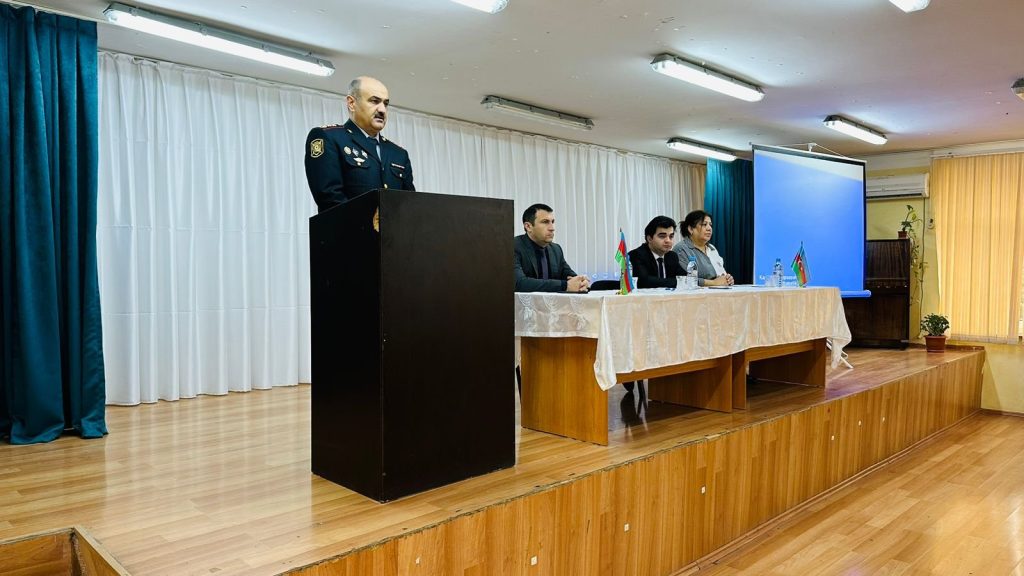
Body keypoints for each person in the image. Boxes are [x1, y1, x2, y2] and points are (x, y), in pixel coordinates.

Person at [304, 76, 415, 212]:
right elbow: (329, 198)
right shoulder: (329, 137)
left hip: (394, 226)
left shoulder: (398, 154)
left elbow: (410, 203)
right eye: (374, 101)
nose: (382, 110)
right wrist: (371, 223)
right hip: (347, 225)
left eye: (385, 104)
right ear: (351, 103)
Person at [514, 204, 590, 293]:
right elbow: (519, 283)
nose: (552, 228)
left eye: (552, 222)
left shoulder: (556, 249)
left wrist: (581, 282)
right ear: (528, 226)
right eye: (545, 222)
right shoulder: (513, 246)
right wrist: (564, 286)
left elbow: (569, 276)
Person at [673, 210, 735, 287]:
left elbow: (721, 274)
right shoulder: (681, 249)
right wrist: (713, 283)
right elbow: (684, 280)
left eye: (710, 225)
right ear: (691, 229)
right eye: (704, 224)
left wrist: (727, 279)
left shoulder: (712, 248)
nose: (709, 228)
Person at [628, 216, 685, 288]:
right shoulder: (636, 255)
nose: (668, 240)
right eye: (662, 236)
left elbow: (685, 279)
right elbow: (644, 282)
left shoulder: (672, 256)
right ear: (649, 238)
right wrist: (676, 282)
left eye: (671, 236)